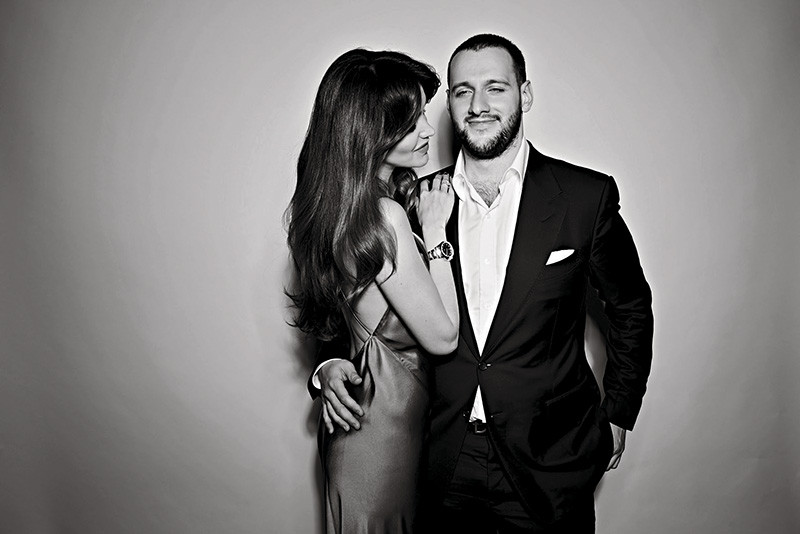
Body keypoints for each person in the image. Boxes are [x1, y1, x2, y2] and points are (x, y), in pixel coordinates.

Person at [314, 34, 654, 533]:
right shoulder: (412, 202)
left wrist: (619, 410)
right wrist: (329, 364)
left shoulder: (585, 196)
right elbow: (346, 298)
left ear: (525, 95)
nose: (478, 106)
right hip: (436, 462)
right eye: (462, 91)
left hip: (549, 461)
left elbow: (630, 305)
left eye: (495, 87)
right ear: (449, 103)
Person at [287, 49, 460, 533]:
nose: (428, 131)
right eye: (411, 122)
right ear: (370, 133)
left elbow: (347, 327)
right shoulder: (385, 217)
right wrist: (437, 232)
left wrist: (327, 366)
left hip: (376, 429)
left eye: (424, 115)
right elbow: (443, 336)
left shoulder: (344, 211)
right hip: (381, 442)